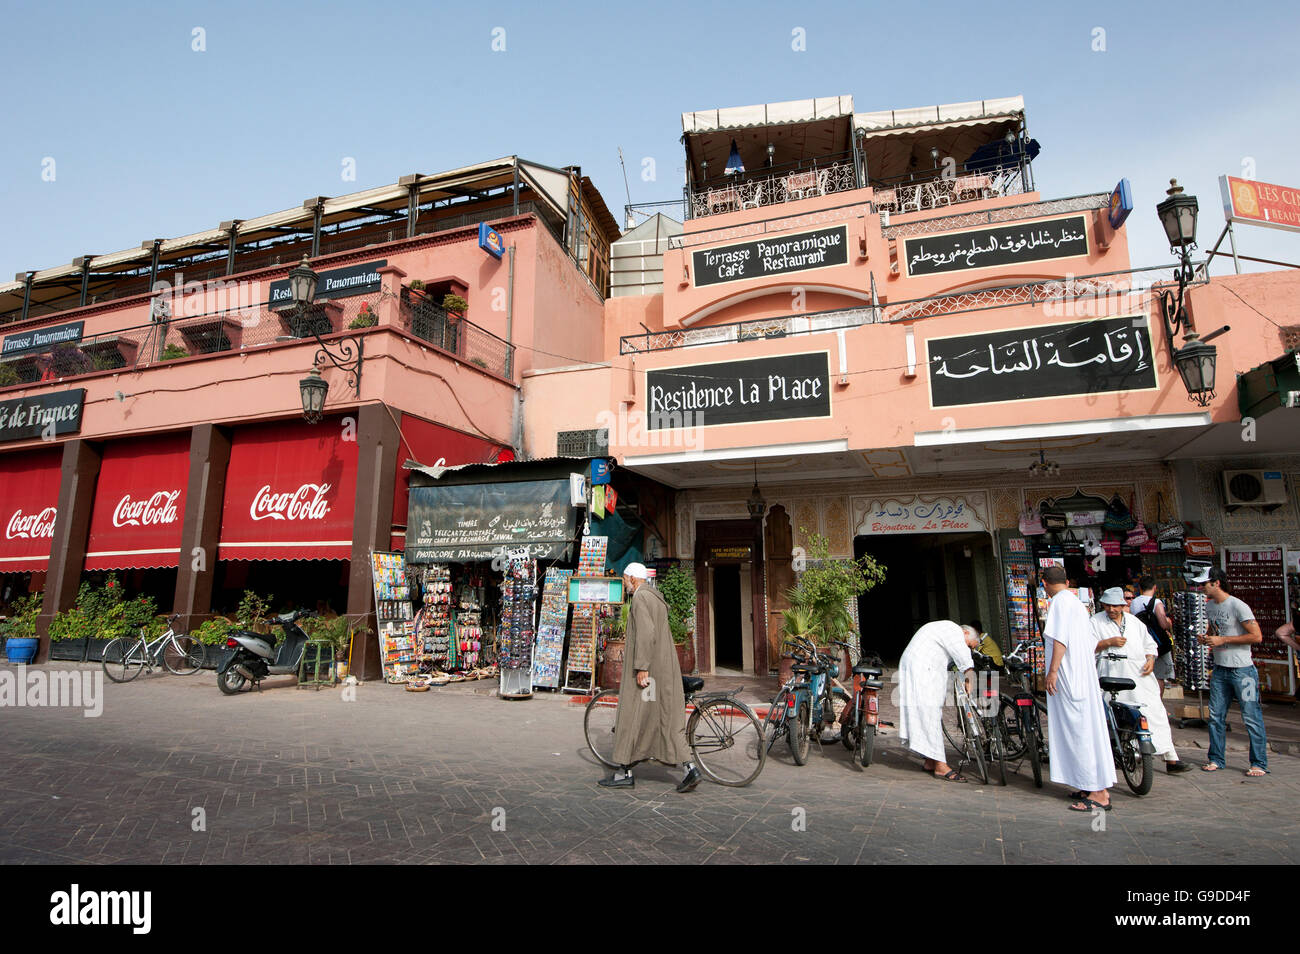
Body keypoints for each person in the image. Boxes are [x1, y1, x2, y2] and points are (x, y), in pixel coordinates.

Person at [598, 562, 700, 792]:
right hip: (662, 670)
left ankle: (625, 771)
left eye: (625, 580)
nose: (625, 585)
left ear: (633, 578)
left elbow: (646, 633)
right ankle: (688, 768)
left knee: (631, 714)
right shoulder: (656, 597)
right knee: (661, 718)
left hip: (649, 671)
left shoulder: (641, 598)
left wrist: (642, 667)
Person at [1040, 565, 1116, 812]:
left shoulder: (1060, 604)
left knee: (1080, 732)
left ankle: (1098, 792)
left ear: (1044, 583)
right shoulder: (1076, 604)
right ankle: (1088, 784)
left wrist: (1052, 672)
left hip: (1070, 678)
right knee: (1082, 730)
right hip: (1081, 676)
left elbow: (1060, 640)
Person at [1091, 587, 1189, 774]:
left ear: (1122, 605)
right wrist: (1107, 643)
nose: (1112, 609)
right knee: (1114, 713)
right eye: (1108, 606)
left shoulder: (1135, 623)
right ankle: (1125, 752)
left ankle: (1171, 757)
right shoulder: (1094, 622)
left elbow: (1150, 645)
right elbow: (1087, 646)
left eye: (1115, 606)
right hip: (1111, 672)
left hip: (1139, 673)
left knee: (1154, 711)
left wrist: (1151, 659)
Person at [1201, 568, 1268, 777]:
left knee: (1251, 716)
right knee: (1215, 716)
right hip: (1220, 669)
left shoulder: (1238, 605)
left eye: (1204, 583)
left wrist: (1224, 640)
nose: (1201, 587)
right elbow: (1215, 630)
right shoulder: (1210, 606)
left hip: (1243, 671)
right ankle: (1215, 758)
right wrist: (1207, 637)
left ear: (1216, 583)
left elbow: (1256, 636)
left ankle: (1259, 762)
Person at [896, 621, 980, 782]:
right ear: (966, 634)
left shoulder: (944, 628)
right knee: (930, 713)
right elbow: (962, 654)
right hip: (922, 667)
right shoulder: (954, 631)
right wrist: (969, 674)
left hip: (918, 665)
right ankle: (941, 765)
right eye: (970, 646)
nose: (969, 650)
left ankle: (930, 760)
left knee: (926, 713)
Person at [1130, 576, 1175, 687]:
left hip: (1140, 642)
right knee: (1159, 676)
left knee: (1143, 674)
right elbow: (1163, 624)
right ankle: (1158, 702)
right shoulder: (1156, 602)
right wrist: (1169, 622)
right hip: (1157, 644)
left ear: (1140, 588)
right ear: (1154, 588)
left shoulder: (1134, 602)